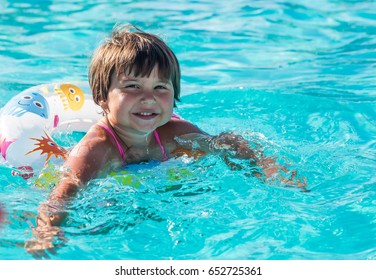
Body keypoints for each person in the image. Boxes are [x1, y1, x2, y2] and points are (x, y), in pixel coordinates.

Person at [25, 24, 307, 256]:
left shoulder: (173, 132)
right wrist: (46, 232)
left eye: (160, 87)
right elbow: (64, 192)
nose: (148, 97)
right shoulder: (96, 150)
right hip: (108, 205)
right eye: (132, 86)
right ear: (101, 98)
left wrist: (270, 170)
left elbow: (229, 143)